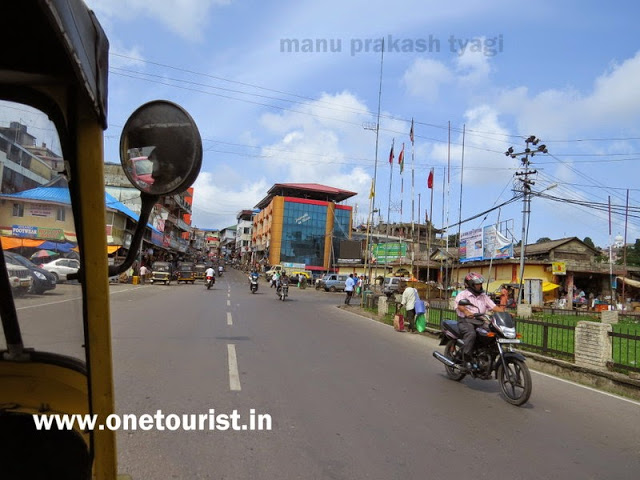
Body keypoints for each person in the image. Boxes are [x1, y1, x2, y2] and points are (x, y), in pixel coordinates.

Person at [455, 272, 503, 371]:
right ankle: (467, 358)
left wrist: (505, 313)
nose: (479, 286)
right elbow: (460, 306)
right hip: (466, 320)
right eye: (477, 284)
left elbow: (493, 306)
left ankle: (486, 355)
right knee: (471, 334)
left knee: (493, 333)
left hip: (480, 321)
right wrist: (466, 311)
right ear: (471, 284)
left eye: (480, 284)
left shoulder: (483, 296)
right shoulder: (463, 294)